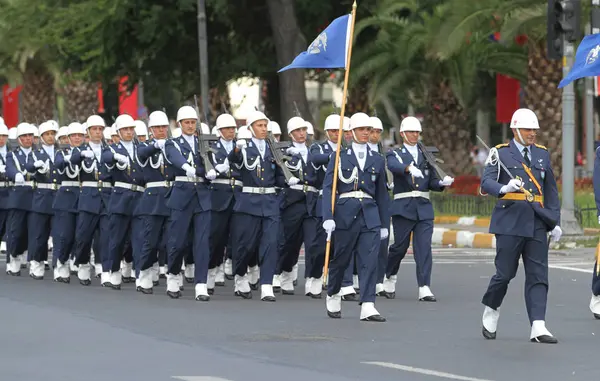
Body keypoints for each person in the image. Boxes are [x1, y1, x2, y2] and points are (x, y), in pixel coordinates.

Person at [480, 108, 562, 344]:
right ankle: (492, 307)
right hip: (509, 221)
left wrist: (553, 221)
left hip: (536, 222)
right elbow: (486, 181)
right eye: (528, 129)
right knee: (504, 274)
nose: (532, 134)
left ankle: (538, 325)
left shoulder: (542, 155)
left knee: (538, 275)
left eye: (534, 130)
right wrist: (504, 188)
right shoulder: (500, 153)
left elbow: (550, 191)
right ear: (515, 129)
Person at [322, 112, 389, 322]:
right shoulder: (340, 156)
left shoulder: (377, 159)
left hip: (370, 214)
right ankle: (333, 292)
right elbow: (328, 188)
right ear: (351, 132)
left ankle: (368, 304)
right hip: (345, 213)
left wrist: (385, 224)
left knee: (370, 260)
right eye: (361, 129)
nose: (365, 133)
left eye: (368, 130)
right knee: (341, 258)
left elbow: (382, 195)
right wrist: (328, 216)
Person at [383, 116, 453, 301]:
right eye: (411, 132)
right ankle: (389, 274)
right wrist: (407, 168)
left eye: (417, 132)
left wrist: (442, 184)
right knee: (400, 247)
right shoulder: (395, 152)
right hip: (403, 207)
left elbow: (431, 182)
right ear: (403, 134)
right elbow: (393, 166)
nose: (414, 135)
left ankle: (424, 286)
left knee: (423, 248)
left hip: (423, 208)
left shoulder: (425, 155)